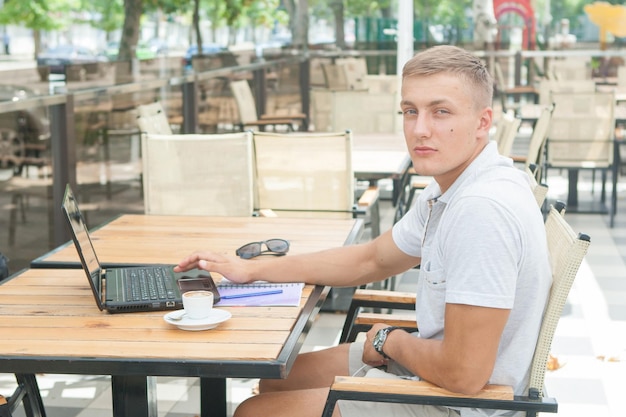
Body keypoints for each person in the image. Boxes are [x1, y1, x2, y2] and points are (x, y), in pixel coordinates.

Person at [175, 45, 552, 417]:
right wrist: (252, 270)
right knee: (279, 380)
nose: (420, 129)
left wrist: (391, 341)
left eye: (441, 112)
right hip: (432, 373)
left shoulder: (480, 210)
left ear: (482, 122)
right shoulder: (452, 187)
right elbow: (369, 259)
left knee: (255, 413)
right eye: (410, 111)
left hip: (459, 405)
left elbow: (464, 374)